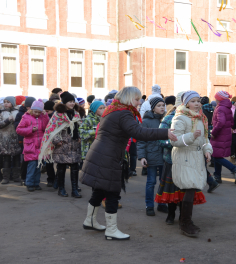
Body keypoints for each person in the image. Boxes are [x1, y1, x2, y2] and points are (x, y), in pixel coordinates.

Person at [80, 86, 176, 240]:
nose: (139, 102)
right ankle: (111, 230)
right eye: (137, 99)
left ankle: (90, 220)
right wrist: (165, 132)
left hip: (101, 154)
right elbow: (138, 132)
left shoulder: (113, 109)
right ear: (129, 98)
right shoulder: (124, 113)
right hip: (108, 156)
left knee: (99, 190)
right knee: (112, 193)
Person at [170, 91, 213, 237]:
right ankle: (185, 223)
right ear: (186, 103)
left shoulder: (201, 118)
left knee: (191, 189)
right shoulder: (180, 118)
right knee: (190, 188)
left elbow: (205, 138)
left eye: (198, 101)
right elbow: (174, 140)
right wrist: (191, 136)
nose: (197, 104)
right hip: (185, 158)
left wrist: (207, 150)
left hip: (197, 157)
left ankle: (185, 221)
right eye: (193, 101)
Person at [38, 92, 82, 198]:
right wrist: (57, 141)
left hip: (74, 145)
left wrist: (79, 136)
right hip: (62, 145)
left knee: (75, 168)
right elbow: (50, 129)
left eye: (73, 101)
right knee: (61, 168)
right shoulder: (58, 114)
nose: (72, 103)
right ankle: (61, 189)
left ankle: (75, 190)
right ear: (64, 102)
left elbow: (80, 126)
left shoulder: (76, 113)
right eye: (69, 102)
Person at [137, 97, 168, 216]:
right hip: (151, 155)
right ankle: (149, 205)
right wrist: (142, 156)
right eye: (159, 105)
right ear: (153, 107)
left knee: (163, 181)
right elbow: (141, 140)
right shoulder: (146, 121)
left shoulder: (166, 119)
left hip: (164, 155)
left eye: (163, 105)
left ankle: (161, 203)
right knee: (151, 182)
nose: (162, 107)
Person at [16, 100, 49, 192]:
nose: (37, 114)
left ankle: (36, 183)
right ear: (31, 109)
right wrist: (31, 129)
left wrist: (45, 116)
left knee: (39, 166)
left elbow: (47, 127)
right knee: (32, 166)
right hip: (31, 145)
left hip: (41, 145)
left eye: (39, 112)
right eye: (36, 112)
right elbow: (19, 130)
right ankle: (29, 183)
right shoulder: (25, 117)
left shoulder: (43, 117)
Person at [211, 91, 236, 184]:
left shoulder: (220, 108)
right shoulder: (227, 107)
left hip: (219, 135)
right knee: (217, 154)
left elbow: (221, 122)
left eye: (216, 98)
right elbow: (231, 121)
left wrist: (214, 132)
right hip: (225, 133)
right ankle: (217, 176)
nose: (215, 100)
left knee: (215, 156)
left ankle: (234, 169)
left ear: (219, 99)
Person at [14, 96, 36, 186]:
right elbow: (18, 128)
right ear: (27, 107)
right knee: (25, 160)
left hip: (35, 141)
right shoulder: (21, 114)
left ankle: (32, 178)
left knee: (33, 161)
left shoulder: (37, 114)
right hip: (25, 140)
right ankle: (23, 177)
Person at [0, 96, 22, 184]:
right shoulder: (1, 113)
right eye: (4, 102)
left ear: (13, 103)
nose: (5, 103)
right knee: (6, 159)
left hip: (16, 139)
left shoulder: (18, 112)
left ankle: (16, 177)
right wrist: (7, 120)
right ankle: (6, 178)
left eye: (8, 102)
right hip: (5, 140)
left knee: (17, 159)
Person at [43, 100, 56, 187]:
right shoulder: (44, 116)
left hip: (55, 141)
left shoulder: (55, 117)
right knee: (49, 162)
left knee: (58, 162)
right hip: (47, 142)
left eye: (48, 111)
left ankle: (55, 179)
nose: (46, 113)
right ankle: (51, 179)